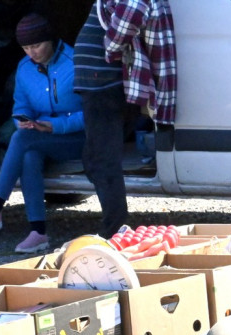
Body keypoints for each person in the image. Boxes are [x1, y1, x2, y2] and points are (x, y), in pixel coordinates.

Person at [0, 14, 85, 254]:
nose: (31, 53)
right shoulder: (24, 68)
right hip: (40, 136)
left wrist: (54, 126)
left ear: (50, 40)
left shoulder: (75, 61)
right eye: (25, 48)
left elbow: (91, 115)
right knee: (29, 153)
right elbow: (20, 106)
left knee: (22, 140)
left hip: (77, 138)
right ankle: (38, 232)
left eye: (36, 46)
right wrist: (23, 120)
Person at [73, 0, 177, 238]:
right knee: (97, 158)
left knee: (102, 160)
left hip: (103, 84)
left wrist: (111, 45)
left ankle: (114, 230)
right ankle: (115, 224)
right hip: (102, 84)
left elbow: (134, 7)